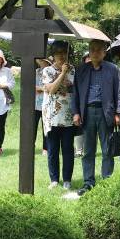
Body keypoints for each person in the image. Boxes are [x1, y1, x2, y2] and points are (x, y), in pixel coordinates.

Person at [73, 40, 120, 197]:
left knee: (107, 149)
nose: (95, 52)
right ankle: (88, 182)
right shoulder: (81, 70)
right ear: (89, 51)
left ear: (104, 52)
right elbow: (75, 93)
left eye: (98, 50)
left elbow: (119, 92)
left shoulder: (112, 69)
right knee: (88, 151)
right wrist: (76, 112)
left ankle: (107, 180)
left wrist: (118, 113)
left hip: (105, 112)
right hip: (87, 113)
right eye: (92, 50)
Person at [42, 41, 77, 190]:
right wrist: (62, 73)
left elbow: (75, 90)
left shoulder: (74, 70)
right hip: (51, 116)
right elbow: (50, 89)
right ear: (53, 55)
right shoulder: (47, 71)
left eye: (64, 53)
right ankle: (54, 179)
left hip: (68, 115)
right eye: (58, 53)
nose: (62, 56)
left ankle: (67, 179)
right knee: (53, 149)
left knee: (68, 149)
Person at [74, 52, 91, 157]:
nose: (89, 59)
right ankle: (79, 150)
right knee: (79, 127)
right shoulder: (79, 71)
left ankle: (89, 149)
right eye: (87, 58)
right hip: (81, 104)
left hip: (92, 105)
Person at [34, 57, 52, 157]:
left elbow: (50, 87)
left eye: (43, 61)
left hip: (47, 104)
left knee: (46, 127)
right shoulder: (36, 72)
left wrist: (41, 88)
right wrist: (41, 88)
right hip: (35, 104)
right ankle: (31, 145)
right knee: (33, 127)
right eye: (40, 61)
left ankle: (46, 148)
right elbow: (30, 85)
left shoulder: (51, 71)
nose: (42, 63)